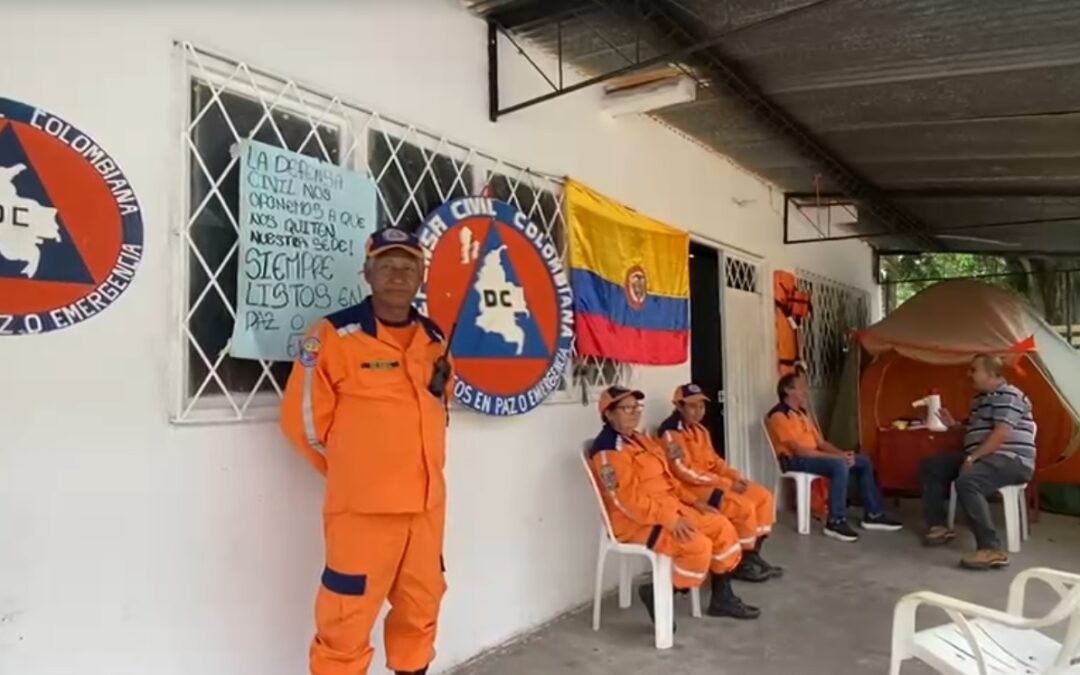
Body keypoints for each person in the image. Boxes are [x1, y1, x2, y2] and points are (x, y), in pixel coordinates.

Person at [281, 228, 452, 675]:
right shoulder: (334, 336)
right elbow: (303, 424)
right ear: (368, 272)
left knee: (422, 606)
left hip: (426, 508)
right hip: (363, 511)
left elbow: (436, 411)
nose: (398, 275)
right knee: (346, 617)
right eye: (387, 266)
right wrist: (352, 470)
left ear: (421, 276)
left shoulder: (434, 339)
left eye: (408, 267)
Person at [589, 386, 761, 621]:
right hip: (636, 522)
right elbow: (628, 502)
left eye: (636, 407)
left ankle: (722, 598)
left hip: (670, 507)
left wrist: (694, 503)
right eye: (626, 408)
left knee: (721, 526)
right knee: (697, 545)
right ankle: (662, 591)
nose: (634, 413)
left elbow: (669, 480)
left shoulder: (641, 440)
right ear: (608, 414)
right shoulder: (608, 451)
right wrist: (671, 519)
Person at [920, 354, 1037, 570]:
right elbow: (977, 433)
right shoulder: (980, 400)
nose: (969, 374)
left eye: (974, 370)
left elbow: (1000, 434)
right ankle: (939, 526)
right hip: (986, 456)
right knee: (932, 466)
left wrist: (973, 458)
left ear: (992, 374)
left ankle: (991, 549)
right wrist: (954, 425)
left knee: (968, 480)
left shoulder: (1009, 395)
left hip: (1011, 459)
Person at [658, 383, 781, 581]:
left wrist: (735, 477)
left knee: (763, 496)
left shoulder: (700, 430)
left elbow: (715, 462)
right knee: (743, 507)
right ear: (679, 407)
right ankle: (738, 565)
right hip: (694, 489)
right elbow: (684, 472)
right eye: (692, 406)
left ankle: (751, 556)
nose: (698, 411)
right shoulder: (671, 434)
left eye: (701, 406)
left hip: (713, 482)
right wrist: (726, 483)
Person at [766, 373, 903, 542]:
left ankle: (873, 514)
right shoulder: (778, 416)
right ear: (788, 390)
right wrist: (836, 459)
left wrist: (842, 454)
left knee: (863, 461)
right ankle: (835, 521)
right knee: (839, 466)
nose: (806, 391)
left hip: (813, 456)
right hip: (794, 461)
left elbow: (821, 443)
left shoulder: (802, 414)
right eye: (801, 387)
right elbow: (800, 451)